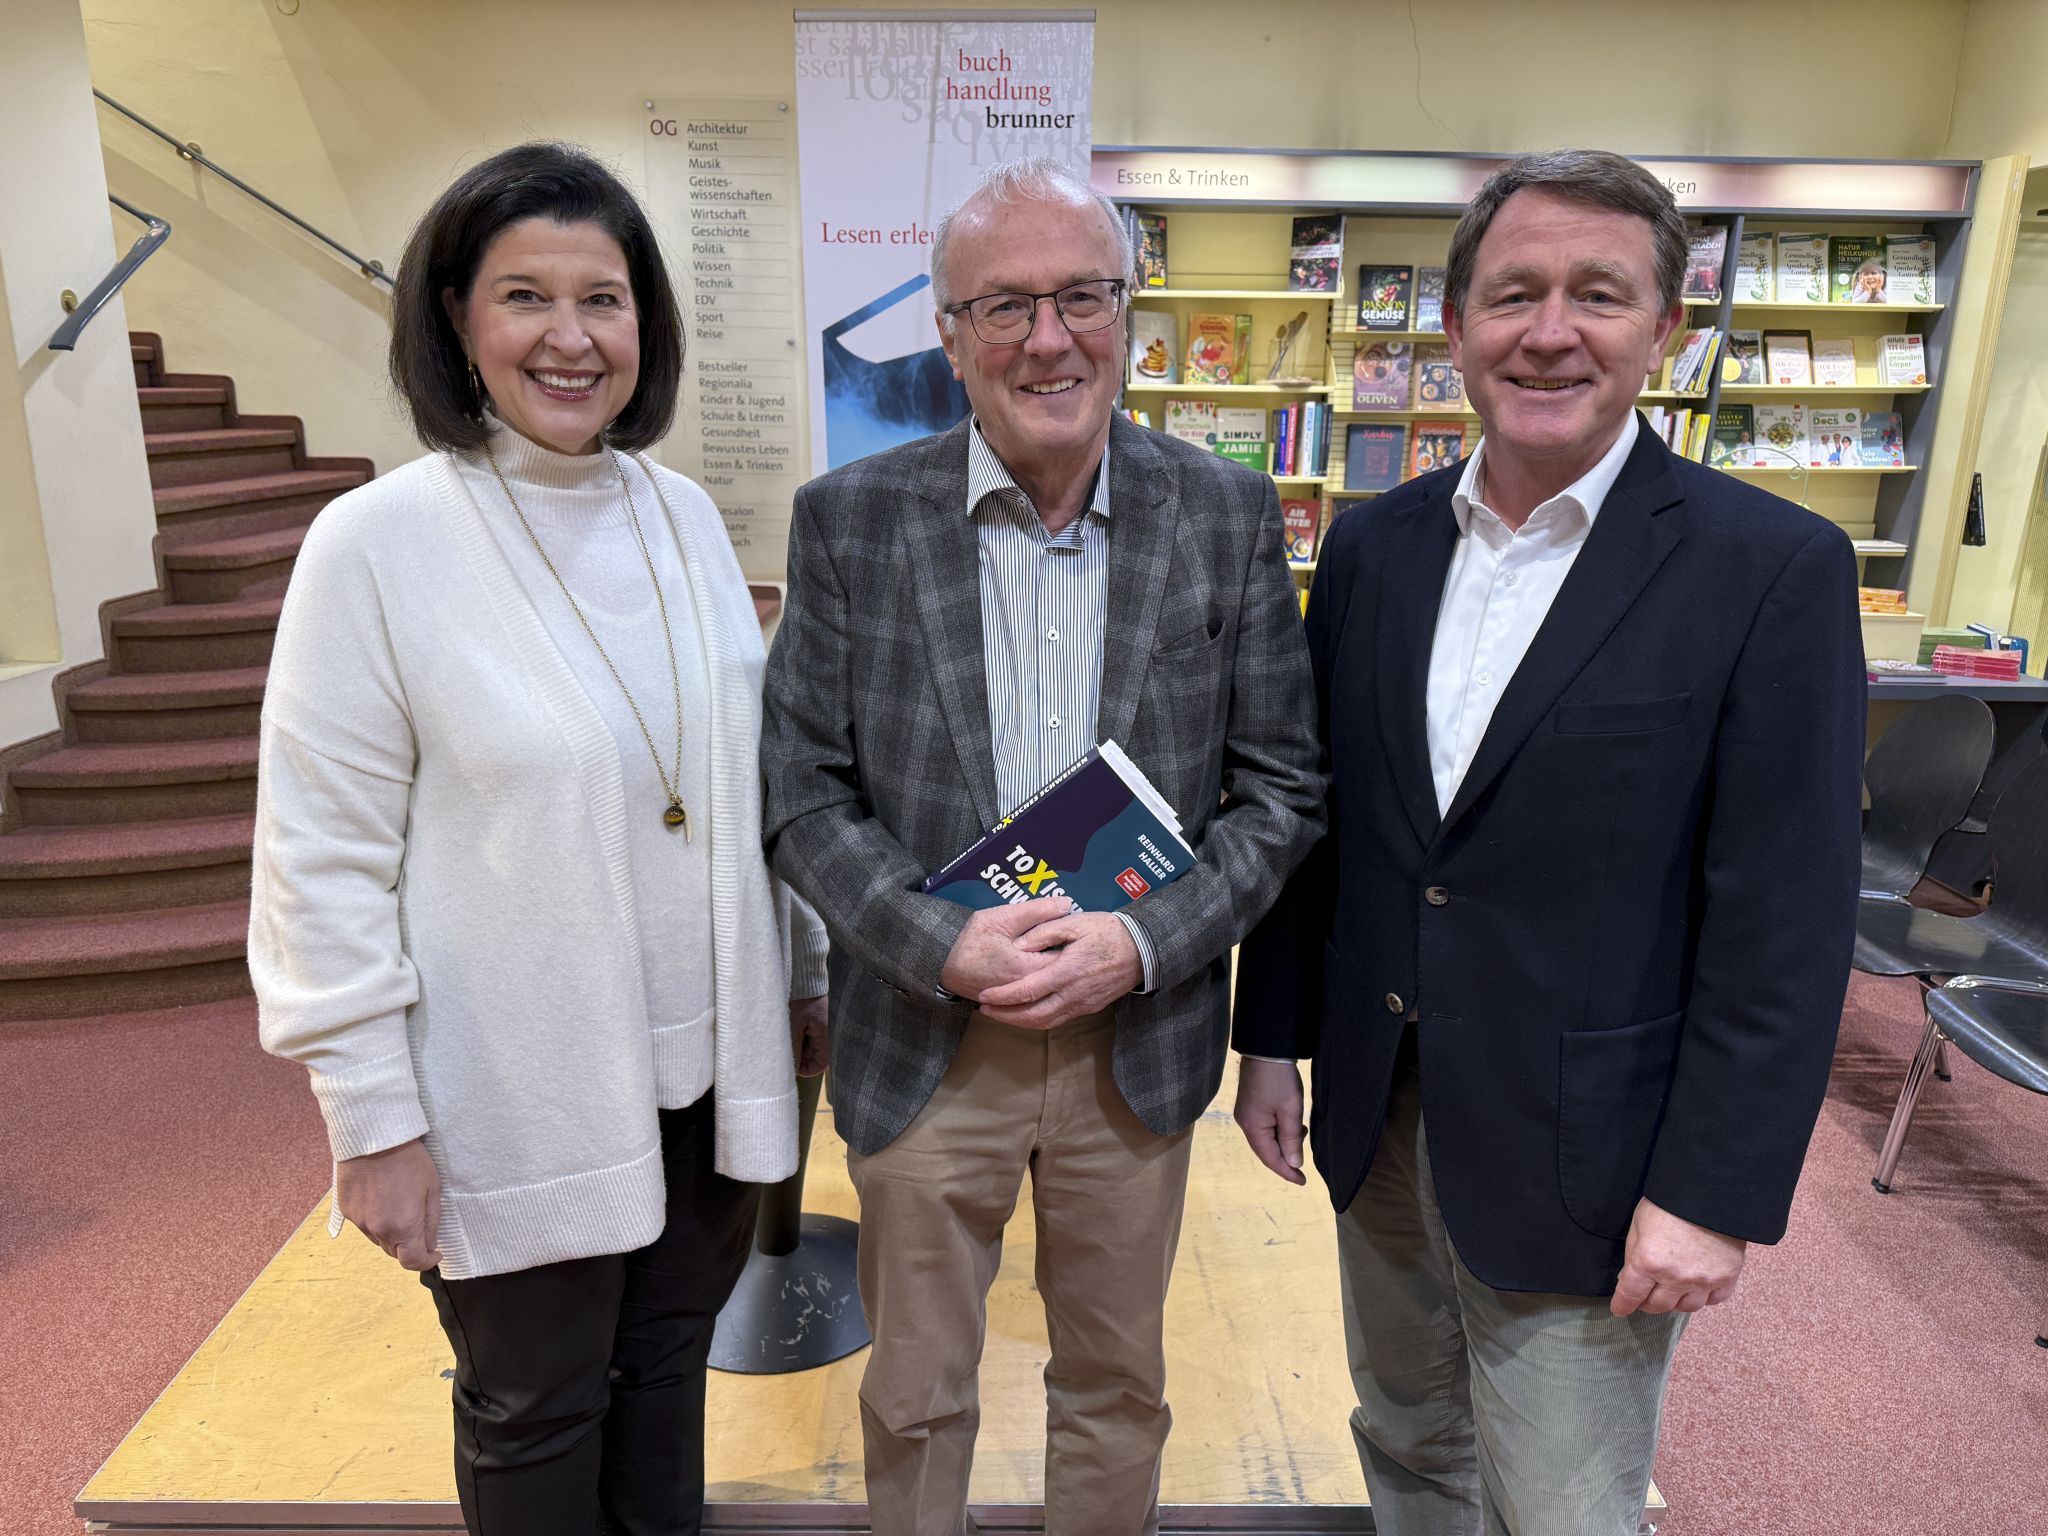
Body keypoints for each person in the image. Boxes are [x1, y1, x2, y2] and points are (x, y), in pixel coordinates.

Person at [1233, 149, 1864, 1536]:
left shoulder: (1769, 570)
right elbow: (1320, 819)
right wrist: (1269, 1036)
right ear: (1455, 326)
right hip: (1380, 1116)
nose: (1550, 331)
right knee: (1406, 1444)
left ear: (1667, 330)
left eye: (1599, 294)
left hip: (1595, 1159)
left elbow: (1787, 919)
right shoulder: (1372, 549)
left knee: (1564, 1504)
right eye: (1513, 294)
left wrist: (1715, 1195)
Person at [250, 141, 829, 1536]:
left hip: (708, 1080)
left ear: (648, 327)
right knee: (535, 1411)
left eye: (605, 299)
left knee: (662, 1380)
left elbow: (748, 778)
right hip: (515, 1088)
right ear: (454, 317)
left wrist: (800, 975)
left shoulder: (682, 516)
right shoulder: (374, 545)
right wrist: (373, 1123)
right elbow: (317, 859)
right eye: (525, 297)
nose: (571, 339)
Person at [760, 156, 1324, 1536]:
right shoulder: (851, 524)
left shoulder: (1228, 516)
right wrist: (934, 939)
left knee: (1118, 1384)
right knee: (914, 1394)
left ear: (1128, 313)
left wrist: (1143, 942)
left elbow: (1282, 791)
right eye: (1003, 306)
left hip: (1136, 1046)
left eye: (1082, 297)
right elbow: (799, 792)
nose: (1049, 338)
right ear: (948, 336)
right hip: (925, 1034)